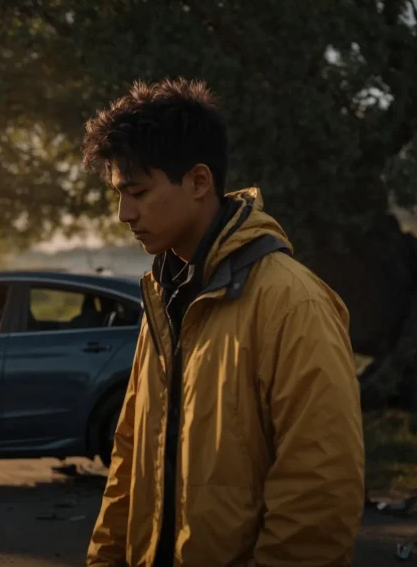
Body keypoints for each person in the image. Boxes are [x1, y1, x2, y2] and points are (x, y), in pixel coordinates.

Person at [82, 79, 365, 567]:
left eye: (138, 192)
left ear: (198, 181)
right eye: (118, 194)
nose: (124, 214)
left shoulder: (292, 302)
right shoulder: (165, 293)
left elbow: (320, 487)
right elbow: (130, 459)